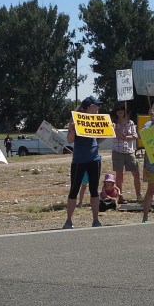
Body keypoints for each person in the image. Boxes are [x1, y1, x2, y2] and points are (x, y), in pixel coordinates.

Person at [63, 96, 104, 229]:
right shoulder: (76, 120)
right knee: (74, 190)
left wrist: (109, 131)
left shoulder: (97, 121)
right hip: (79, 159)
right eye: (96, 106)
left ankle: (96, 220)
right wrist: (73, 130)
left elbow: (98, 140)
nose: (98, 108)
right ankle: (69, 220)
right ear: (88, 107)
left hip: (94, 158)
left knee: (94, 190)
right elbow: (69, 141)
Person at [111, 103, 141, 202]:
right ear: (115, 112)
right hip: (117, 151)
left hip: (129, 151)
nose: (120, 111)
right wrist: (122, 125)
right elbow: (117, 135)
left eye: (121, 109)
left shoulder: (131, 123)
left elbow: (134, 136)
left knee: (136, 173)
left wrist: (125, 137)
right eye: (117, 110)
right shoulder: (114, 124)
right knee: (119, 175)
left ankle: (138, 195)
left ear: (125, 111)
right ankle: (120, 196)